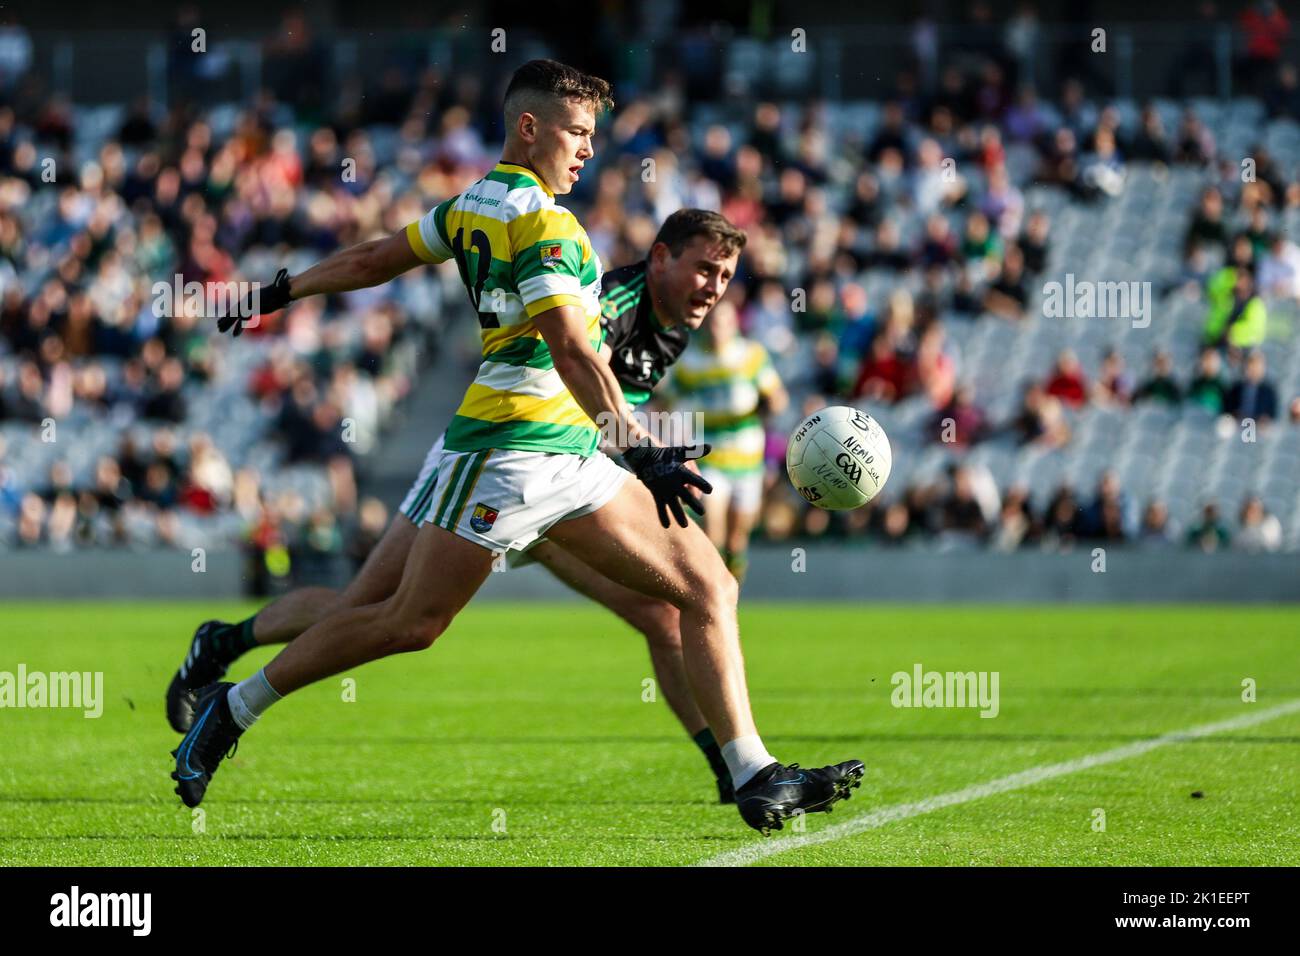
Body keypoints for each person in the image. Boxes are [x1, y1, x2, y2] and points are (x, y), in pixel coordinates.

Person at [169, 60, 862, 835]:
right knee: (407, 623)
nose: (588, 150)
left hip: (566, 451)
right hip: (511, 449)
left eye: (594, 136)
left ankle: (754, 774)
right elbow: (572, 349)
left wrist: (279, 290)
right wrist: (641, 448)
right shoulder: (549, 225)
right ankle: (233, 707)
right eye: (576, 132)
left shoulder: (473, 204)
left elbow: (377, 259)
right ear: (528, 127)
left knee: (705, 588)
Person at [170, 209, 752, 805]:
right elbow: (559, 376)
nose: (714, 286)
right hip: (501, 465)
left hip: (564, 485)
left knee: (665, 612)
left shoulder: (675, 324)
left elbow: (608, 408)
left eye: (725, 275)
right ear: (660, 258)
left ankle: (732, 769)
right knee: (373, 612)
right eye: (705, 269)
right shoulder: (615, 301)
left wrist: (651, 447)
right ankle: (225, 643)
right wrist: (646, 452)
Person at [659, 297, 786, 581]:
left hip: (747, 458)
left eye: (724, 321)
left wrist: (770, 405)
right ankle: (713, 596)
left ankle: (732, 594)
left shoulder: (750, 356)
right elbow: (665, 401)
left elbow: (776, 397)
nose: (718, 327)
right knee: (712, 531)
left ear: (734, 324)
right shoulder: (691, 362)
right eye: (714, 321)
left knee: (737, 540)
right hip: (711, 458)